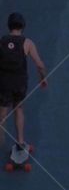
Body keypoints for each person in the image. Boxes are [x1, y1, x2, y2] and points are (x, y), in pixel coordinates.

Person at [0, 12, 47, 155]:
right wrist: (43, 78)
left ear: (9, 26)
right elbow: (39, 65)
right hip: (20, 83)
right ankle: (20, 142)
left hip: (4, 83)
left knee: (2, 114)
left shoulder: (1, 41)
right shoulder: (28, 43)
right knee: (19, 109)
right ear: (23, 26)